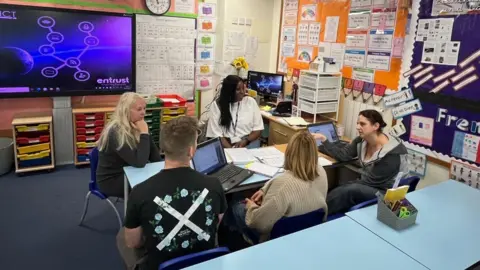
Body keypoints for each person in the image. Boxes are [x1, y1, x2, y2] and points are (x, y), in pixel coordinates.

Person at [119, 116, 227, 270]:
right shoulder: (214, 184)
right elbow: (219, 220)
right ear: (191, 150)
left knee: (122, 239)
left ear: (163, 148)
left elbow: (133, 242)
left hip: (161, 265)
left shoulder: (139, 192)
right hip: (205, 261)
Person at [226, 131, 328, 243]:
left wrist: (251, 207)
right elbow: (287, 180)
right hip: (309, 231)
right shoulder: (321, 171)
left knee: (236, 204)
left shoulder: (283, 185)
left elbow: (260, 224)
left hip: (277, 238)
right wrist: (265, 190)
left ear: (289, 153)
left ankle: (236, 243)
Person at [312, 109, 408, 215]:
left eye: (362, 124)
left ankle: (318, 215)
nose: (358, 127)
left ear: (376, 126)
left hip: (388, 195)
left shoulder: (392, 154)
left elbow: (369, 182)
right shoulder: (362, 140)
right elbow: (344, 155)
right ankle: (320, 210)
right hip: (370, 184)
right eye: (357, 123)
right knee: (345, 188)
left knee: (349, 190)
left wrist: (342, 188)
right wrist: (324, 140)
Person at [96, 92, 162, 198]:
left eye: (144, 109)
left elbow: (155, 157)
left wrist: (146, 134)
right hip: (112, 180)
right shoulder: (115, 131)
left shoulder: (138, 126)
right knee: (152, 187)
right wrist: (144, 134)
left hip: (130, 170)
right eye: (139, 109)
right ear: (126, 110)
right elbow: (139, 162)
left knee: (162, 181)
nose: (143, 113)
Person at [206, 75, 264, 148]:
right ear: (229, 91)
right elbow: (216, 135)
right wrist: (232, 151)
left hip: (248, 141)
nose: (242, 92)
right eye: (238, 89)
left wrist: (246, 141)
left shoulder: (250, 102)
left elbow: (258, 129)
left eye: (243, 88)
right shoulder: (217, 105)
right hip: (226, 143)